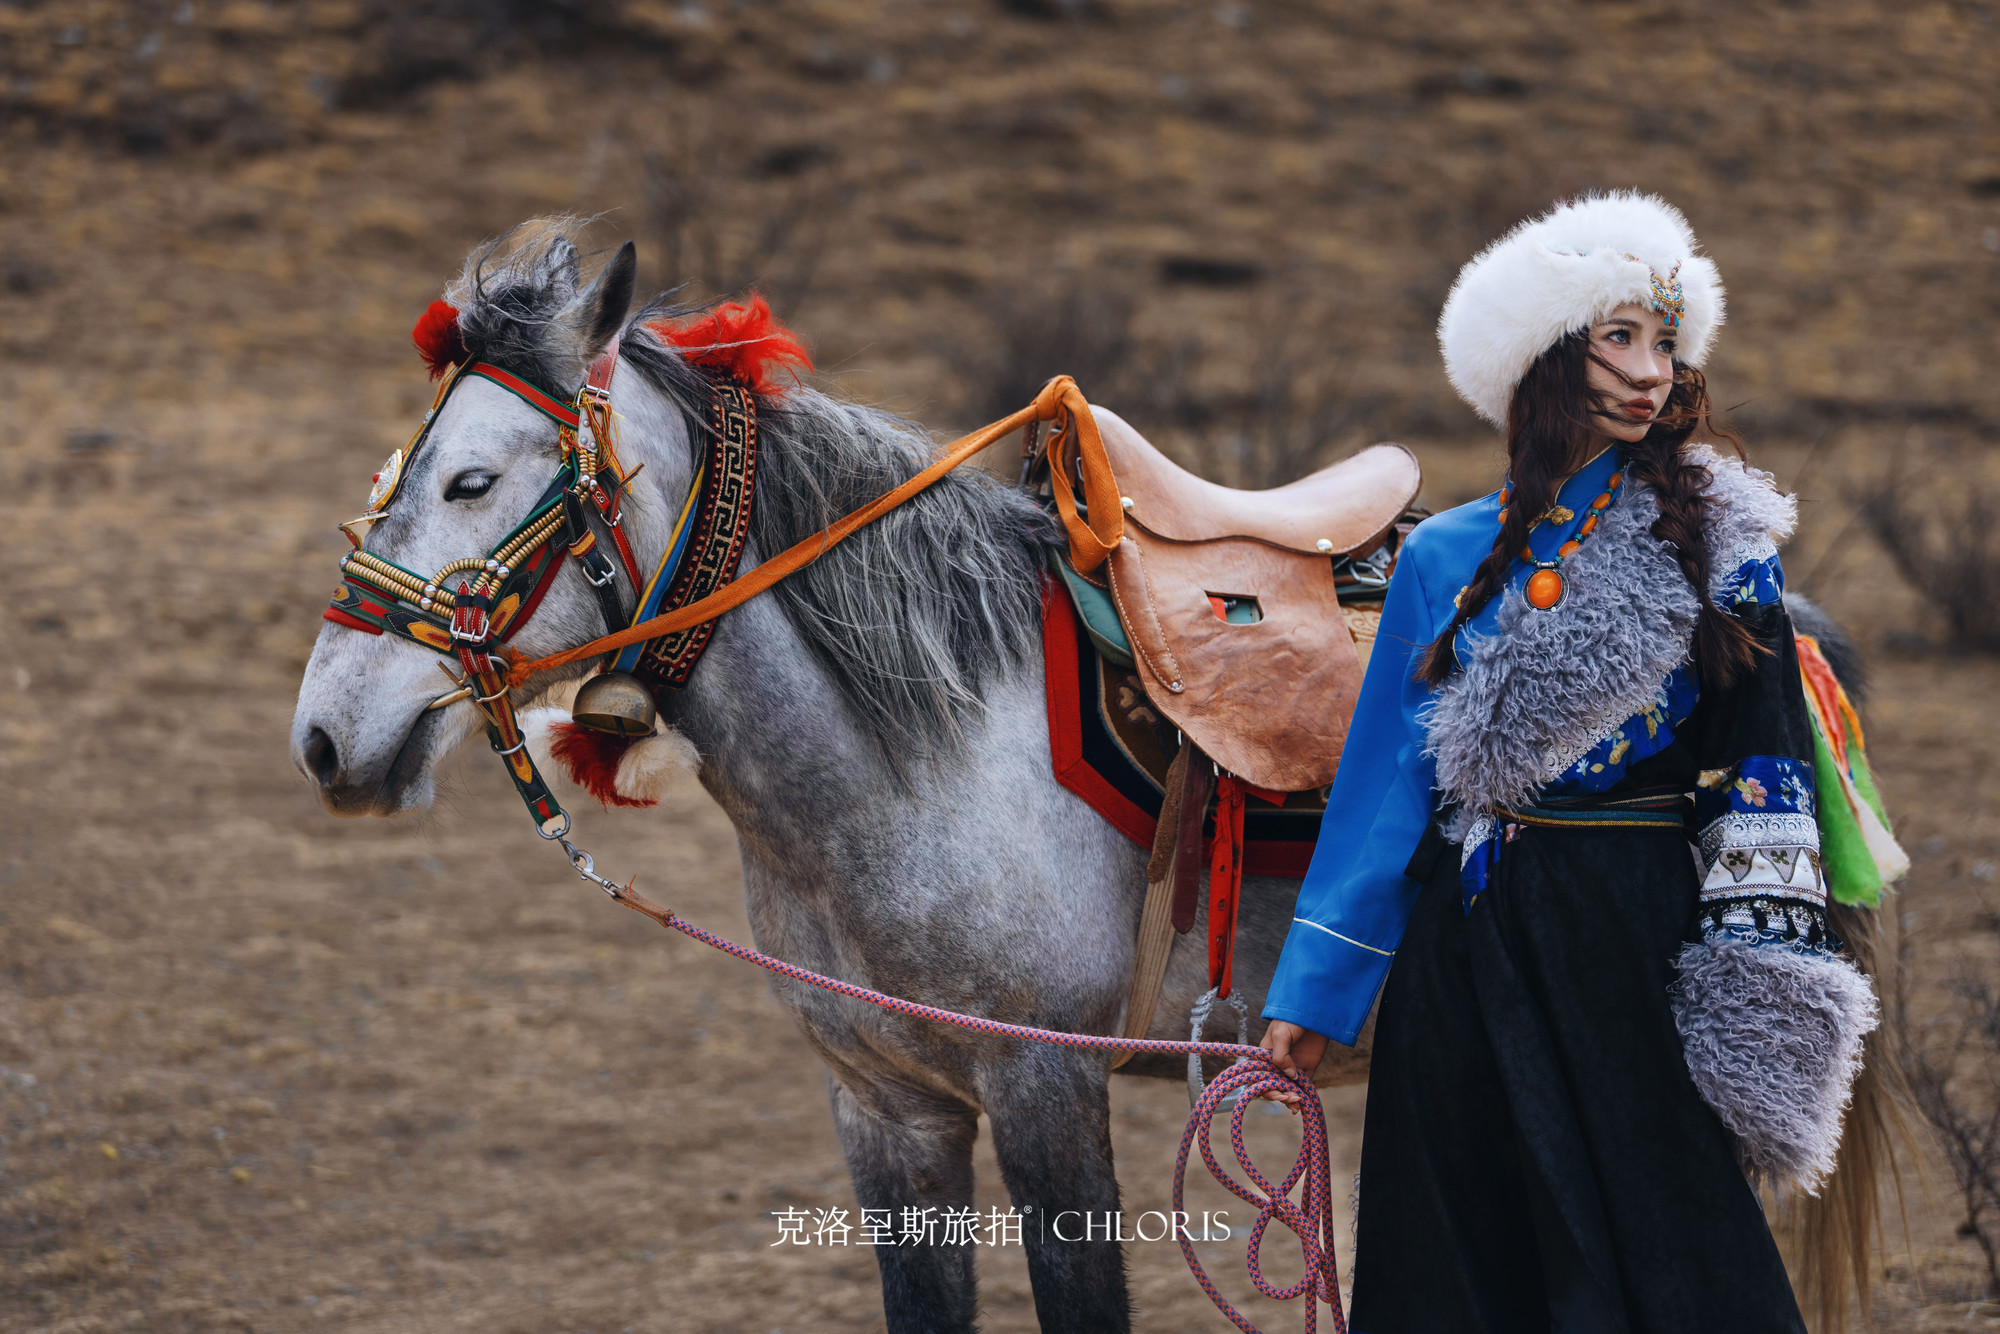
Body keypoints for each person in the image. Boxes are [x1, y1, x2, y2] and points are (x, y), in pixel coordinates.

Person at [1257, 193, 1879, 1333]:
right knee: (1459, 1247)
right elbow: (1387, 792)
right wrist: (1317, 988)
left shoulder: (1719, 548)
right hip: (1464, 943)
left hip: (1632, 944)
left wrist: (1758, 989)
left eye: (1663, 344)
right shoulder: (1443, 555)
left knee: (1657, 1251)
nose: (1651, 372)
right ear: (1544, 356)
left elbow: (1765, 776)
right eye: (1618, 339)